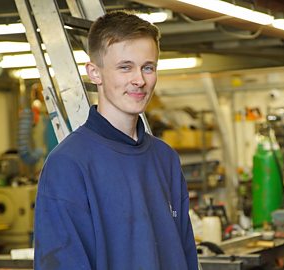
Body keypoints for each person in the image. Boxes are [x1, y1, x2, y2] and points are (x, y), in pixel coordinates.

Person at [33, 10, 199, 270]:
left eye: (148, 68)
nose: (139, 80)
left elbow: (187, 256)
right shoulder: (68, 165)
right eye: (125, 67)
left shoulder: (165, 158)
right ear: (94, 73)